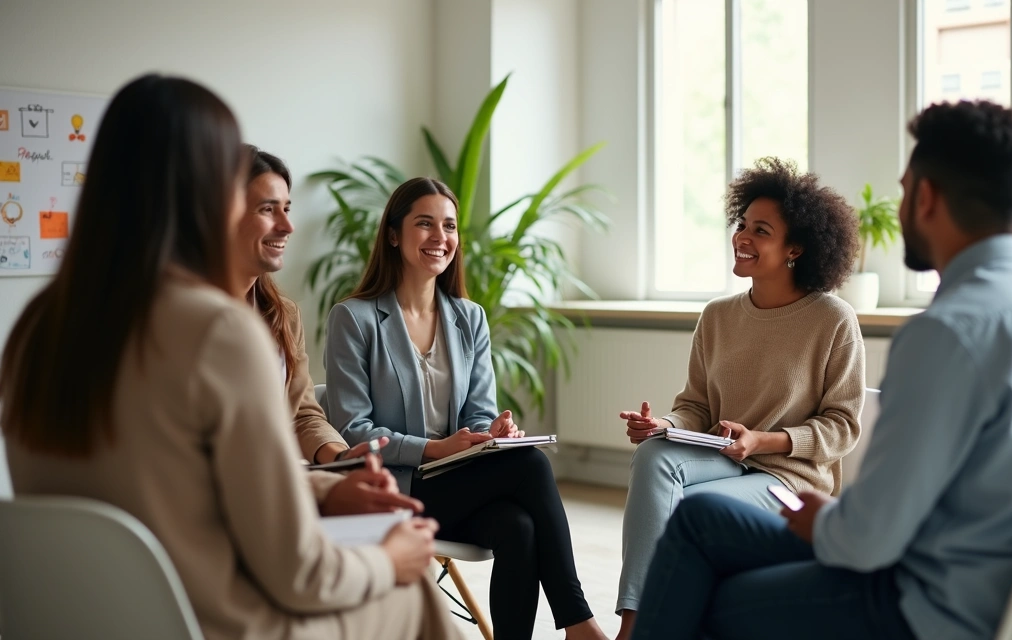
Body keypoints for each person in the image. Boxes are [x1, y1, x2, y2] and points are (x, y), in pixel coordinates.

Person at [630, 100, 1012, 640]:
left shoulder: (948, 332)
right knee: (704, 524)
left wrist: (825, 518)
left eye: (904, 188)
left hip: (947, 607)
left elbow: (870, 539)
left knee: (706, 575)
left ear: (927, 197)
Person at [0, 74, 458, 640]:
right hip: (214, 622)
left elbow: (180, 487)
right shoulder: (218, 331)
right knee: (407, 588)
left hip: (80, 619)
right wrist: (390, 560)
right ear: (206, 189)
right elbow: (300, 573)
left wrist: (328, 485)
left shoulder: (37, 325)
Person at [324, 177, 609, 640]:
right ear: (393, 234)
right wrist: (435, 449)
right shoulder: (354, 319)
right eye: (425, 224)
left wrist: (489, 431)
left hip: (457, 481)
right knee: (531, 466)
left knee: (517, 527)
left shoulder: (468, 317)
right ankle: (579, 622)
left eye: (450, 226)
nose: (441, 238)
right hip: (398, 486)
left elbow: (478, 411)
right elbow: (354, 429)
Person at [612, 156, 865, 639]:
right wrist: (665, 426)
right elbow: (697, 407)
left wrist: (762, 441)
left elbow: (843, 425)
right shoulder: (717, 316)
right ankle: (634, 624)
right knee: (653, 456)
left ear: (795, 248)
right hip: (721, 458)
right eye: (742, 224)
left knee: (686, 509)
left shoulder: (832, 320)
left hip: (787, 478)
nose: (742, 238)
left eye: (761, 231)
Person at [234, 145, 403, 517]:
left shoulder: (283, 315)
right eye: (268, 209)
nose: (287, 225)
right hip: (246, 498)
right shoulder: (185, 321)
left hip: (279, 485)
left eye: (287, 208)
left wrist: (341, 457)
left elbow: (302, 415)